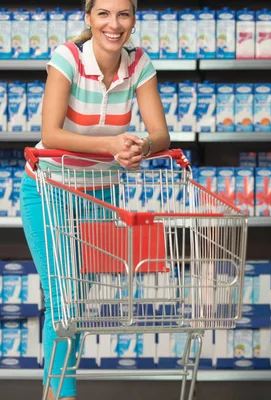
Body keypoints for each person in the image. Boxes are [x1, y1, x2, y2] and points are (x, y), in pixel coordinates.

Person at [19, 1, 170, 399]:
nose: (113, 24)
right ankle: (60, 396)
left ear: (134, 20)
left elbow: (161, 135)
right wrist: (110, 146)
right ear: (88, 17)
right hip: (48, 190)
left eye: (123, 14)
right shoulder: (67, 57)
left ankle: (55, 394)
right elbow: (50, 134)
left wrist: (141, 146)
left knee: (78, 303)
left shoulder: (139, 63)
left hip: (100, 195)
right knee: (63, 300)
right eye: (103, 13)